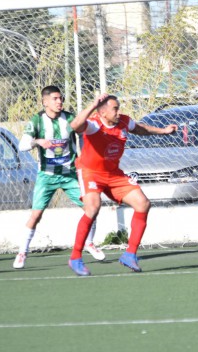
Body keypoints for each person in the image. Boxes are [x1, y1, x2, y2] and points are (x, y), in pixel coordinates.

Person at [67, 93, 178, 276]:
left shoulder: (124, 122)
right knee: (93, 208)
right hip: (90, 172)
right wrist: (93, 104)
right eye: (115, 108)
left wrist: (163, 130)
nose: (119, 111)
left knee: (143, 204)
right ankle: (75, 257)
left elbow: (140, 129)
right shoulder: (94, 124)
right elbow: (75, 125)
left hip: (113, 174)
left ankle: (129, 254)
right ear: (102, 112)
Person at [12, 86, 104, 269]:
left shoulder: (69, 118)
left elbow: (83, 134)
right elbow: (22, 145)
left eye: (61, 98)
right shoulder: (37, 121)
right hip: (47, 176)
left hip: (70, 174)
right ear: (45, 102)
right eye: (55, 98)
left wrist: (84, 155)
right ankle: (22, 252)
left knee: (91, 207)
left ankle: (89, 243)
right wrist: (37, 141)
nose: (59, 101)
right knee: (36, 215)